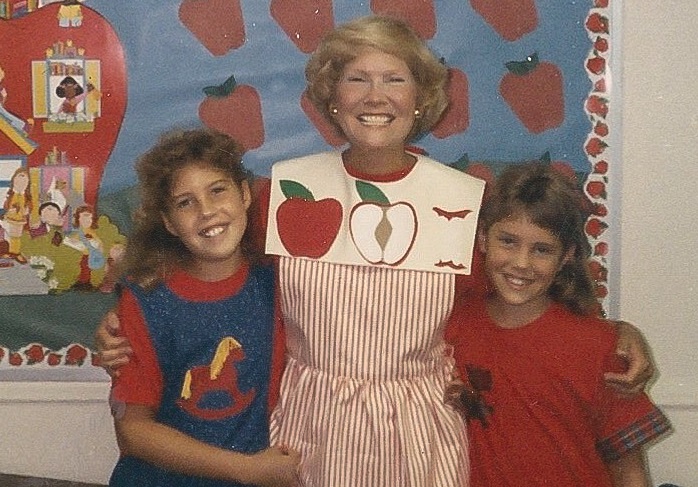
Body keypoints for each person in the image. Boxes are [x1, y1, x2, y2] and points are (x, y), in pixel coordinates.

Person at [95, 15, 655, 486]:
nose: (375, 96)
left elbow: (513, 301)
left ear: (421, 99)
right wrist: (117, 323)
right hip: (308, 434)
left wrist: (616, 335)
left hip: (419, 432)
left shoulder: (464, 201)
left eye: (395, 78)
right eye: (356, 78)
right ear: (331, 98)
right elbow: (200, 260)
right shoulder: (283, 192)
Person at [445, 163, 671, 486]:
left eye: (542, 250)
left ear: (566, 256)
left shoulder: (602, 346)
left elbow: (628, 469)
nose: (521, 263)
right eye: (508, 241)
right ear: (483, 239)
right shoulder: (452, 327)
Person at [106, 129, 300, 487]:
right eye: (185, 202)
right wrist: (245, 469)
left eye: (217, 190)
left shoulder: (281, 280)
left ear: (244, 194)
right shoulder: (146, 301)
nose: (207, 211)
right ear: (168, 222)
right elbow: (133, 431)